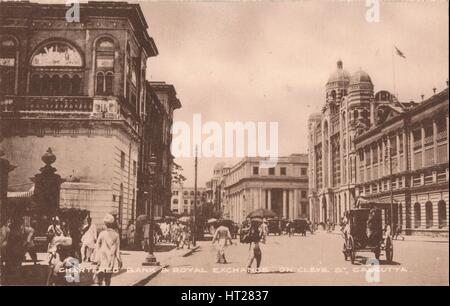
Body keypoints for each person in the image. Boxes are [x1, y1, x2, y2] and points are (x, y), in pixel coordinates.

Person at [93, 214, 123, 286]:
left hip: (101, 259)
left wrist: (95, 258)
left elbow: (97, 247)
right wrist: (120, 261)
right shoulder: (116, 235)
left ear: (105, 224)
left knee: (99, 279)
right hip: (110, 260)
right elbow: (117, 250)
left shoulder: (102, 234)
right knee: (108, 279)